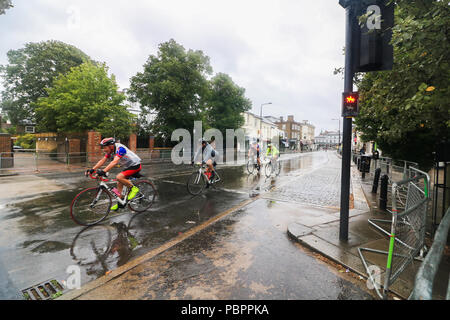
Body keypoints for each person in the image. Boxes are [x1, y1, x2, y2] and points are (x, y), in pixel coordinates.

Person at [86, 137, 142, 211]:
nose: (104, 150)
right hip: (128, 166)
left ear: (111, 146)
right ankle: (121, 202)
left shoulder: (120, 149)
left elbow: (114, 162)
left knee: (119, 177)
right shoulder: (111, 150)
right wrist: (92, 169)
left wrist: (104, 171)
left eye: (105, 147)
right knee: (119, 182)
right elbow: (103, 160)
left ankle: (133, 188)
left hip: (135, 165)